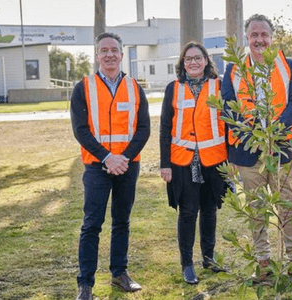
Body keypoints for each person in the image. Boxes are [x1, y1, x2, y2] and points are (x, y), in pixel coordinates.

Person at [220, 14, 292, 282]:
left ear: (272, 38)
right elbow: (229, 108)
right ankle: (263, 262)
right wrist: (255, 134)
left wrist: (274, 133)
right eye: (254, 35)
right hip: (247, 151)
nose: (259, 40)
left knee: (287, 206)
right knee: (257, 209)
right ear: (246, 39)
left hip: (281, 147)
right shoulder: (232, 70)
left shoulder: (287, 65)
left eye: (264, 35)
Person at [70, 32, 150, 300]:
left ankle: (119, 273)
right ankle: (85, 285)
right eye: (104, 50)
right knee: (92, 223)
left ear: (122, 54)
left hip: (128, 165)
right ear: (97, 56)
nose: (109, 55)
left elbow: (143, 129)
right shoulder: (83, 87)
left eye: (114, 50)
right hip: (96, 166)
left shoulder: (135, 87)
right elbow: (81, 130)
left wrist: (123, 157)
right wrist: (107, 157)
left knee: (122, 221)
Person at [159, 41, 229, 285]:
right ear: (182, 63)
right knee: (188, 212)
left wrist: (231, 162)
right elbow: (165, 127)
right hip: (183, 161)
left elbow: (228, 124)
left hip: (214, 160)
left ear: (206, 60)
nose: (193, 62)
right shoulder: (174, 88)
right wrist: (164, 163)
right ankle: (187, 264)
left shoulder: (219, 87)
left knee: (210, 211)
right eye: (188, 59)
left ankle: (209, 258)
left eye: (197, 58)